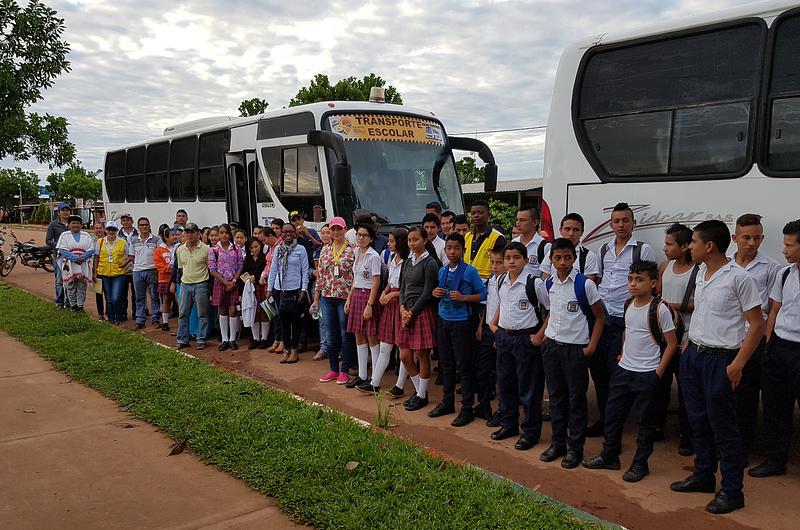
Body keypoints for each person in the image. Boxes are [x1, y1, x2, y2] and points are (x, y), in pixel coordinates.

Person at [670, 220, 764, 515]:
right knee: (698, 421)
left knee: (724, 427)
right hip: (694, 355)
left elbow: (757, 325)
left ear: (708, 246)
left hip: (722, 360)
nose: (690, 246)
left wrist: (738, 364)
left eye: (694, 242)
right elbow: (703, 310)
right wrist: (689, 343)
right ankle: (703, 476)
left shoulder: (739, 278)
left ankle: (732, 491)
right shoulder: (701, 271)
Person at [583, 260, 678, 482]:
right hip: (624, 370)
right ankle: (609, 455)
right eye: (630, 279)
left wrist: (658, 373)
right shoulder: (628, 304)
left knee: (646, 422)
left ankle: (640, 463)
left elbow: (671, 343)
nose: (633, 284)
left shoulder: (660, 308)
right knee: (613, 417)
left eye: (640, 280)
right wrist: (623, 355)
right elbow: (628, 331)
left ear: (653, 283)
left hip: (647, 373)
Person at [589, 202, 657, 437]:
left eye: (625, 220)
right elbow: (600, 280)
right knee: (599, 373)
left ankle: (617, 424)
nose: (620, 225)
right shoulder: (604, 249)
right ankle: (605, 419)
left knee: (618, 372)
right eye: (616, 221)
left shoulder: (642, 249)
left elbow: (648, 284)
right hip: (603, 319)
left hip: (624, 321)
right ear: (610, 224)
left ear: (633, 224)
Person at [537, 238, 605, 469]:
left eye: (567, 257)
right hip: (553, 347)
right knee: (556, 398)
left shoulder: (585, 285)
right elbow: (551, 312)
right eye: (558, 257)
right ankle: (558, 444)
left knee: (576, 399)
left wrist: (591, 346)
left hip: (576, 350)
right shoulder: (549, 285)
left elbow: (599, 317)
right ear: (551, 259)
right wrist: (545, 336)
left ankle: (576, 448)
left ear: (574, 258)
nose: (563, 262)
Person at [749, 219, 800, 478]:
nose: (784, 250)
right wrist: (768, 345)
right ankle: (775, 459)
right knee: (775, 407)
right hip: (780, 348)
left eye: (790, 245)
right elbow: (775, 311)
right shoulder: (785, 273)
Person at [729, 213, 781, 459]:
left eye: (757, 238)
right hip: (726, 338)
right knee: (726, 393)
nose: (751, 243)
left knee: (747, 396)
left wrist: (767, 341)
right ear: (734, 238)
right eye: (746, 237)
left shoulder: (771, 268)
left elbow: (772, 309)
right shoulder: (723, 265)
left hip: (753, 339)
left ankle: (744, 447)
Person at [488, 241, 545, 451]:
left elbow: (549, 310)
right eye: (508, 258)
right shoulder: (501, 279)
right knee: (505, 384)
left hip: (526, 340)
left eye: (516, 258)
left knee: (529, 388)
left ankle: (530, 431)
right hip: (505, 338)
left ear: (525, 260)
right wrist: (496, 328)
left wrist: (539, 336)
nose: (511, 262)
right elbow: (503, 305)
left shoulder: (534, 283)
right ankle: (509, 424)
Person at [429, 233, 487, 426]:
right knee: (446, 364)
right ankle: (447, 402)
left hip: (462, 322)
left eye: (456, 248)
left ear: (463, 250)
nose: (452, 252)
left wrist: (464, 298)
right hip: (443, 320)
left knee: (464, 366)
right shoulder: (442, 271)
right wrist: (434, 292)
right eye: (449, 248)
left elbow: (483, 294)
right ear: (445, 250)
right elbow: (439, 290)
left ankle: (467, 408)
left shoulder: (470, 271)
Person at [656, 223, 697, 456]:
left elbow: (699, 303)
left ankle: (687, 436)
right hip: (665, 336)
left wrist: (672, 307)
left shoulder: (697, 271)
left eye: (670, 244)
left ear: (684, 247)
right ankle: (658, 427)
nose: (665, 248)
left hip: (686, 338)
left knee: (686, 390)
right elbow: (659, 294)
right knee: (660, 386)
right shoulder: (666, 267)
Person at [359, 227, 409, 395]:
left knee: (403, 348)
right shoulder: (392, 258)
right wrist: (384, 292)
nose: (389, 244)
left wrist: (392, 294)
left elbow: (409, 289)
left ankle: (400, 385)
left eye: (392, 241)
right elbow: (389, 281)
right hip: (389, 305)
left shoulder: (408, 262)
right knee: (385, 346)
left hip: (402, 305)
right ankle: (374, 382)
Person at [398, 226, 441, 411]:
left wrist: (411, 312)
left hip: (421, 312)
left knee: (422, 355)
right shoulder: (408, 261)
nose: (412, 243)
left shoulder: (430, 263)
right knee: (405, 356)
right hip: (406, 311)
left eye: (415, 240)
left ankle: (422, 395)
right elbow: (402, 287)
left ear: (424, 240)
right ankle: (419, 392)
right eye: (409, 240)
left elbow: (427, 293)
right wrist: (401, 309)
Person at [314, 217, 356, 382]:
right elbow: (321, 276)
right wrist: (316, 299)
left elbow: (356, 277)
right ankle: (333, 369)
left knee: (345, 334)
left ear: (345, 229)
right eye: (333, 229)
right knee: (330, 335)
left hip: (344, 297)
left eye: (339, 229)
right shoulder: (325, 249)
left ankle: (345, 369)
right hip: (327, 297)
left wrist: (350, 299)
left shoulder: (353, 250)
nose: (336, 232)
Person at [344, 222, 384, 388]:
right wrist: (349, 298)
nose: (361, 238)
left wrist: (369, 304)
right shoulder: (356, 252)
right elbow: (356, 279)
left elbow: (376, 282)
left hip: (368, 297)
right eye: (359, 234)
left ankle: (374, 378)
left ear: (371, 238)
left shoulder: (373, 256)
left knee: (371, 337)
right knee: (358, 336)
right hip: (356, 296)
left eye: (365, 235)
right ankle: (362, 375)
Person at [267, 222, 309, 364]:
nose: (287, 234)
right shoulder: (278, 249)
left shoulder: (301, 249)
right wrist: (269, 288)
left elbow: (305, 271)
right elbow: (273, 270)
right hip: (280, 290)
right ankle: (286, 351)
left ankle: (294, 350)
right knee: (283, 322)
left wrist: (303, 289)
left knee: (295, 322)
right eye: (285, 232)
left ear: (295, 233)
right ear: (281, 234)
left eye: (290, 231)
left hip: (296, 291)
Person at [172, 223, 211, 351]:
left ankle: (201, 339)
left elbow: (209, 268)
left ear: (198, 233)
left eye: (192, 232)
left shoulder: (206, 249)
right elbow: (180, 268)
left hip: (201, 283)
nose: (189, 234)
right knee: (183, 313)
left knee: (202, 314)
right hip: (185, 284)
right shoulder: (180, 249)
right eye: (187, 232)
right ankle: (182, 339)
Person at [480, 245, 506, 427]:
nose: (495, 266)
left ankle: (503, 411)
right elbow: (487, 303)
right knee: (483, 370)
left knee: (501, 374)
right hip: (487, 328)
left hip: (500, 330)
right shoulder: (491, 280)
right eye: (492, 262)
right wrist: (480, 325)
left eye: (499, 262)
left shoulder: (507, 282)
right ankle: (483, 406)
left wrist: (498, 332)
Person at [210, 224, 244, 351]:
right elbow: (212, 269)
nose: (224, 235)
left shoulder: (236, 249)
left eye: (226, 232)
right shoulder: (214, 250)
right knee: (222, 310)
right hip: (220, 282)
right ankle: (224, 339)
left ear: (230, 234)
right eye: (221, 232)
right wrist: (225, 282)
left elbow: (240, 265)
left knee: (233, 310)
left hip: (233, 282)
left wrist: (234, 281)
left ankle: (232, 339)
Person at [540, 213, 599, 282]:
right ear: (560, 230)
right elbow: (545, 282)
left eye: (576, 230)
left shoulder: (589, 257)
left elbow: (587, 287)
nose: (571, 234)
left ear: (582, 232)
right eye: (567, 229)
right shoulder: (551, 253)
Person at [56, 215, 96, 312]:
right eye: (73, 223)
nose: (75, 225)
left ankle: (80, 306)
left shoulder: (86, 235)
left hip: (83, 263)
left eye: (78, 223)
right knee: (71, 285)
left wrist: (82, 258)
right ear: (69, 225)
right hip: (70, 264)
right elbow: (62, 249)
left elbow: (91, 249)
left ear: (81, 225)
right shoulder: (64, 235)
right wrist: (74, 258)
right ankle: (73, 306)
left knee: (82, 285)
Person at [128, 217, 160, 330]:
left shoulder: (156, 240)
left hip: (152, 270)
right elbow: (131, 256)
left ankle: (155, 318)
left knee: (154, 296)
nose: (144, 227)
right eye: (141, 225)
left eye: (146, 224)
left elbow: (160, 255)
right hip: (137, 271)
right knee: (139, 297)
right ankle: (140, 320)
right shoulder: (134, 240)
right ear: (138, 227)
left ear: (149, 225)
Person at [96, 221, 131, 324]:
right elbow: (96, 257)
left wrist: (125, 264)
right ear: (106, 230)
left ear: (116, 231)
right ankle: (111, 318)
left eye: (113, 229)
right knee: (109, 298)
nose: (111, 231)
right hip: (104, 273)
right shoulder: (100, 242)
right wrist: (95, 272)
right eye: (109, 229)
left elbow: (130, 256)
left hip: (118, 273)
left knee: (116, 297)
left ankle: (119, 317)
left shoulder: (123, 242)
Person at [241, 237, 271, 350]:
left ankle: (264, 338)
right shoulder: (247, 260)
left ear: (260, 245)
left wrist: (256, 277)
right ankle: (255, 338)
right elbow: (243, 273)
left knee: (264, 311)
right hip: (250, 289)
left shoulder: (265, 258)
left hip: (262, 287)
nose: (254, 249)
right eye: (252, 247)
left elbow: (267, 271)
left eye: (256, 246)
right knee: (253, 311)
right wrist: (248, 279)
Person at [465, 200, 506, 280]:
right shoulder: (467, 236)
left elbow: (502, 265)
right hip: (466, 281)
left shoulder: (497, 238)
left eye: (480, 213)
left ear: (488, 215)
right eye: (473, 213)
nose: (476, 216)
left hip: (487, 283)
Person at [46, 203, 71, 309]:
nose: (65, 212)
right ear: (59, 212)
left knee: (71, 279)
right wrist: (59, 246)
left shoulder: (73, 223)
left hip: (71, 256)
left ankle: (70, 302)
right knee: (59, 280)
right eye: (63, 210)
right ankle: (60, 302)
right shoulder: (53, 224)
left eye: (67, 210)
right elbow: (48, 240)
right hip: (58, 257)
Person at [513, 205, 549, 278]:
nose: (518, 223)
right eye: (517, 220)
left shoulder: (544, 246)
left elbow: (546, 275)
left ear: (535, 222)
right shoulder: (514, 243)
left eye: (523, 220)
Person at [312, 225, 331, 361]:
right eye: (322, 233)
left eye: (327, 233)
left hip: (335, 291)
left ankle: (337, 349)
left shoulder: (341, 249)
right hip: (320, 289)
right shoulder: (317, 250)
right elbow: (315, 273)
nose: (325, 235)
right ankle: (323, 348)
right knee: (322, 321)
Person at [153, 227, 177, 331]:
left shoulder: (178, 247)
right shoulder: (159, 250)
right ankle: (165, 322)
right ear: (166, 238)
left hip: (176, 278)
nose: (175, 237)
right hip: (164, 279)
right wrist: (168, 269)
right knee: (166, 300)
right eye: (172, 235)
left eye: (175, 235)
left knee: (179, 301)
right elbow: (158, 263)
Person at [118, 213, 139, 321]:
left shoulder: (138, 233)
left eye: (128, 220)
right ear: (121, 222)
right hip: (123, 268)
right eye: (124, 220)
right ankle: (123, 314)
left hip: (136, 267)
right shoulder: (117, 235)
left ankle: (137, 314)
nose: (126, 222)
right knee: (123, 293)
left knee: (137, 293)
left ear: (132, 221)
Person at [90, 221, 106, 320]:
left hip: (106, 268)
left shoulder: (108, 240)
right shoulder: (91, 240)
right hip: (95, 268)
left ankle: (108, 312)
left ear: (104, 229)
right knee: (98, 292)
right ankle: (100, 313)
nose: (98, 230)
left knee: (108, 292)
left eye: (100, 228)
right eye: (96, 228)